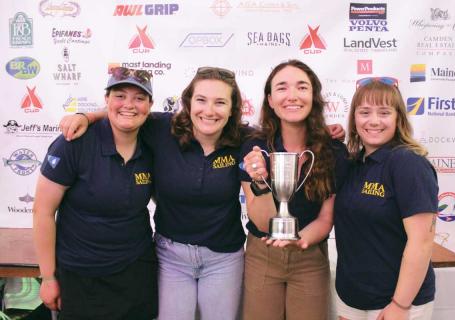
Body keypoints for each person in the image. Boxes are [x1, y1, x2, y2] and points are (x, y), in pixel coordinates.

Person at [58, 66, 345, 320]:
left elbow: (287, 128)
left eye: (220, 102)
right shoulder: (162, 128)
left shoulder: (246, 139)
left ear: (233, 109)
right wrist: (88, 115)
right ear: (188, 103)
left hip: (224, 257)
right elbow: (128, 112)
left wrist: (327, 131)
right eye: (201, 100)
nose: (209, 111)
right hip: (171, 255)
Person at [33, 67, 157, 319]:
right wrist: (47, 277)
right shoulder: (74, 143)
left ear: (150, 105)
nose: (129, 105)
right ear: (106, 100)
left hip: (136, 271)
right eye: (119, 96)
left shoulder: (155, 139)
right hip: (81, 274)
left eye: (139, 98)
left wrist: (90, 115)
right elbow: (42, 211)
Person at [240, 59, 349, 320]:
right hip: (262, 254)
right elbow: (260, 220)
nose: (292, 96)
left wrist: (302, 240)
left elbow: (326, 217)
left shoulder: (334, 151)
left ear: (313, 96)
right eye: (281, 88)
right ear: (270, 99)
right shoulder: (253, 147)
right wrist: (259, 182)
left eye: (302, 87)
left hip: (310, 256)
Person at [334, 77, 438, 320]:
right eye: (365, 112)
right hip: (352, 299)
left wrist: (401, 305)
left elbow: (422, 242)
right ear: (354, 119)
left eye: (384, 112)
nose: (373, 121)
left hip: (395, 302)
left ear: (398, 118)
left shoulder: (407, 163)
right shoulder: (354, 164)